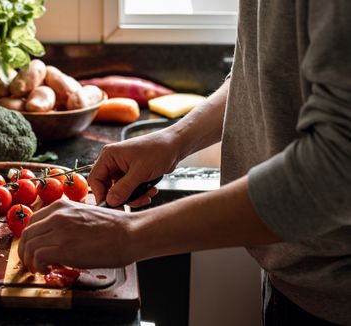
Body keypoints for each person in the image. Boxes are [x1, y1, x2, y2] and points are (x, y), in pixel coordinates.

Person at [18, 1, 351, 325]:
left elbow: (337, 168)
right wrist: (174, 139)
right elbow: (268, 68)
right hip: (295, 277)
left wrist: (130, 234)